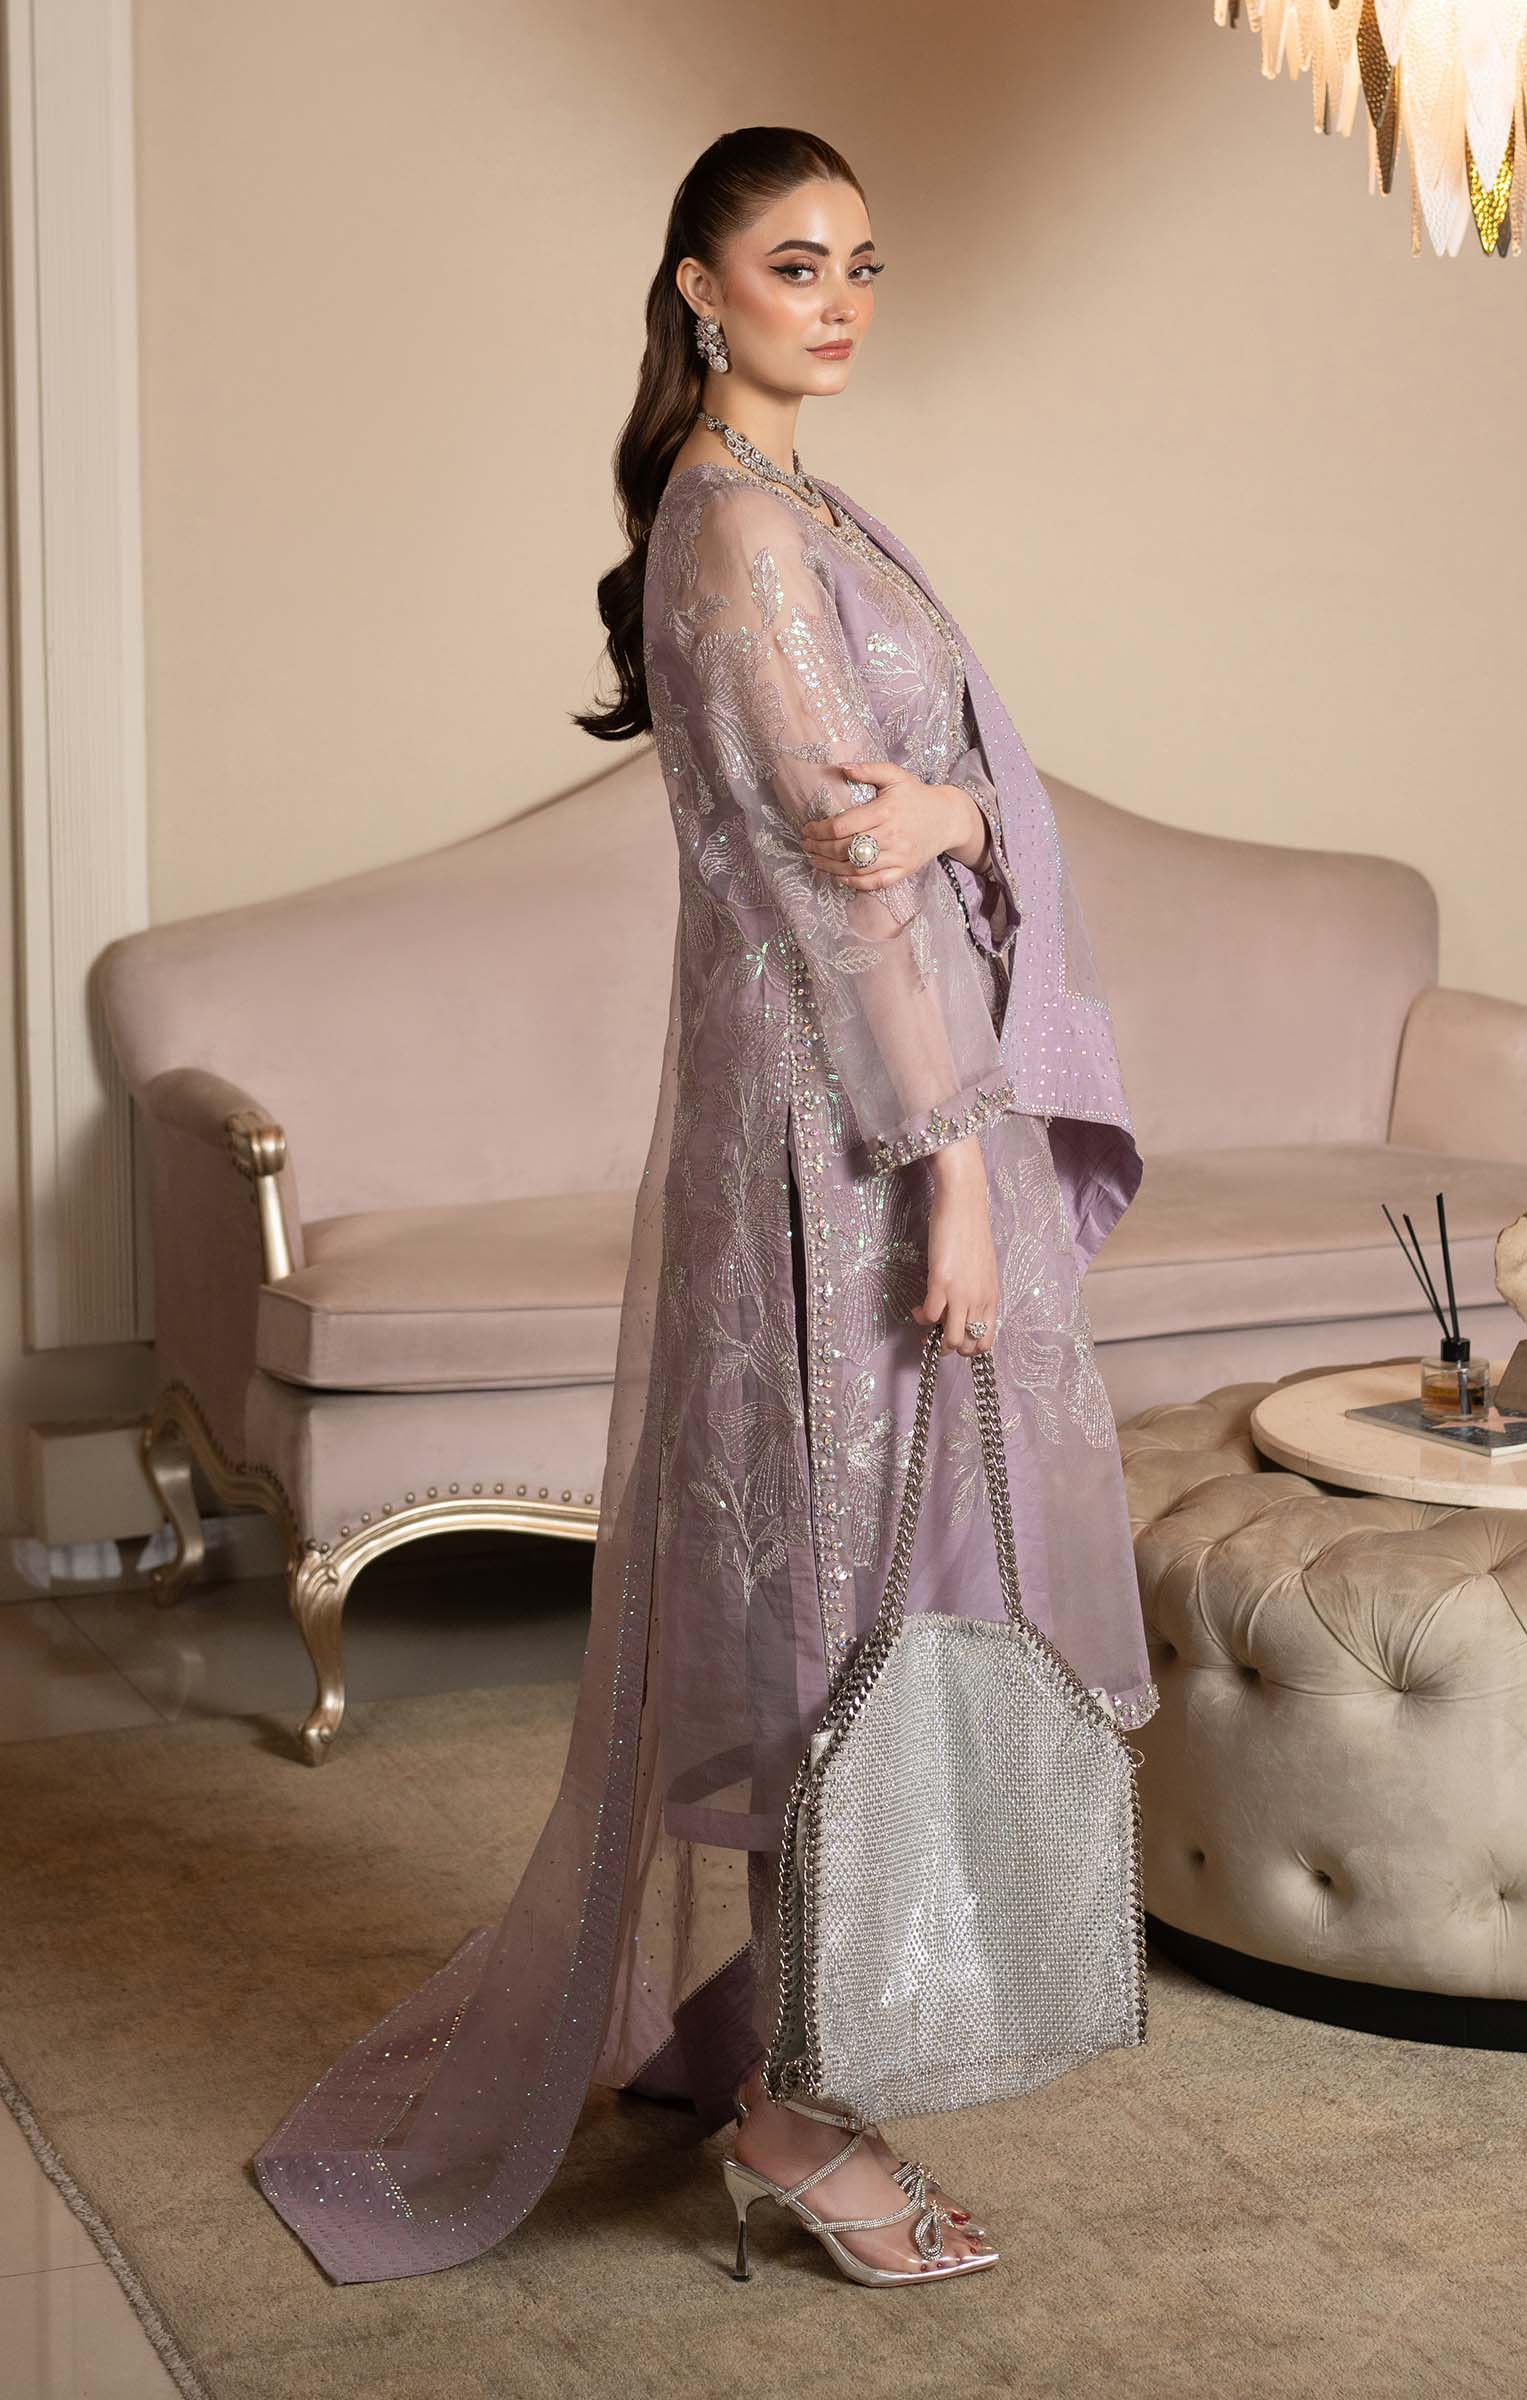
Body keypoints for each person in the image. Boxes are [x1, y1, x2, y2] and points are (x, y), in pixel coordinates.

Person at [253, 124, 1156, 2293]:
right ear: (697, 285)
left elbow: (922, 813)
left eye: (863, 263)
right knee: (844, 1603)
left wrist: (959, 812)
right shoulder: (738, 530)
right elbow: (845, 901)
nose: (836, 300)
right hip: (846, 1147)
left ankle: (772, 2027)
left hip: (872, 1115)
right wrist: (953, 1171)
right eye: (792, 262)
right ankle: (796, 2116)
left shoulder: (799, 505)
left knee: (872, 1579)